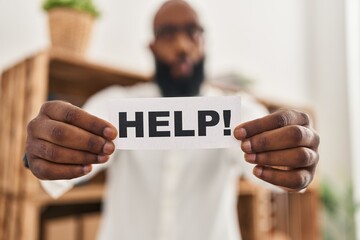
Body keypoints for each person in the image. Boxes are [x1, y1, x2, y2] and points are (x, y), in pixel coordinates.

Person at [25, 1, 320, 239]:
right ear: (152, 46)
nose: (181, 45)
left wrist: (292, 156)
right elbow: (72, 158)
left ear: (204, 42)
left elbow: (269, 160)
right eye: (168, 33)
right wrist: (43, 151)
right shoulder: (116, 103)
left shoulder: (238, 110)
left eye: (192, 32)